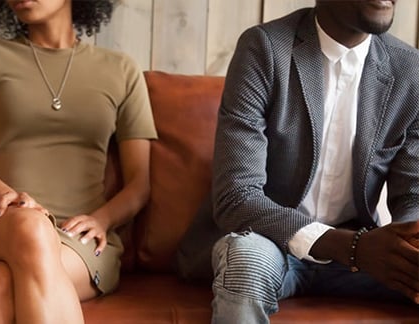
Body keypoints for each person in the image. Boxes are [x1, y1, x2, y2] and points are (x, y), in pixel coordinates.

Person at [176, 0, 419, 323]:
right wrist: (353, 247)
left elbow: (413, 194)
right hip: (270, 242)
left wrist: (411, 244)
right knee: (247, 262)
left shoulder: (409, 69)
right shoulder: (265, 48)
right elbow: (236, 197)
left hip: (359, 258)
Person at [0, 0, 157, 323]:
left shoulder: (121, 70)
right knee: (29, 225)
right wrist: (12, 200)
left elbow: (140, 184)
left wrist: (102, 219)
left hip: (79, 241)